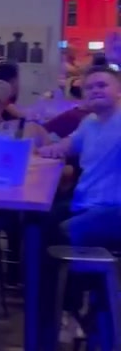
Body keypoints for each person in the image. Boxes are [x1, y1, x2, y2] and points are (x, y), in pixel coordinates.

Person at [40, 65, 121, 249]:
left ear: (119, 90)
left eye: (102, 85)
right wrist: (49, 149)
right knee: (38, 220)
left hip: (114, 209)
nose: (95, 90)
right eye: (89, 87)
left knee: (63, 231)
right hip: (85, 203)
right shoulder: (89, 122)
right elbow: (67, 145)